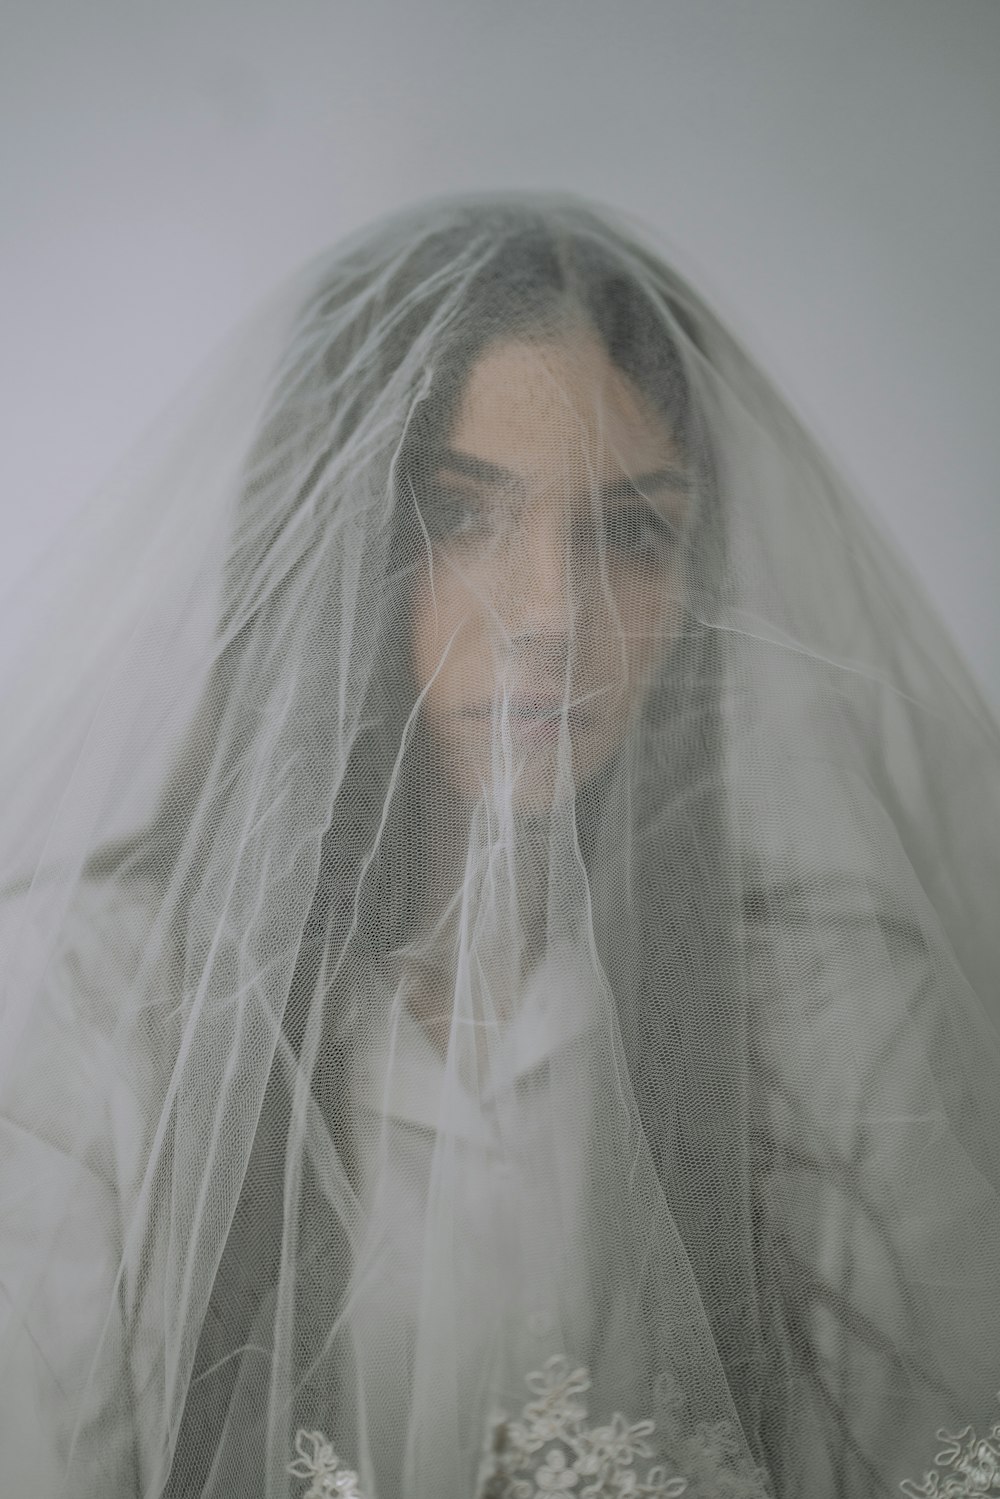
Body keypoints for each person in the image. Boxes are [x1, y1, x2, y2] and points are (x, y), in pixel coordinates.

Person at [0, 191, 998, 1499]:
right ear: (330, 550)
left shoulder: (839, 1017)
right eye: (461, 515)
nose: (550, 614)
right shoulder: (79, 1008)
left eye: (629, 533)